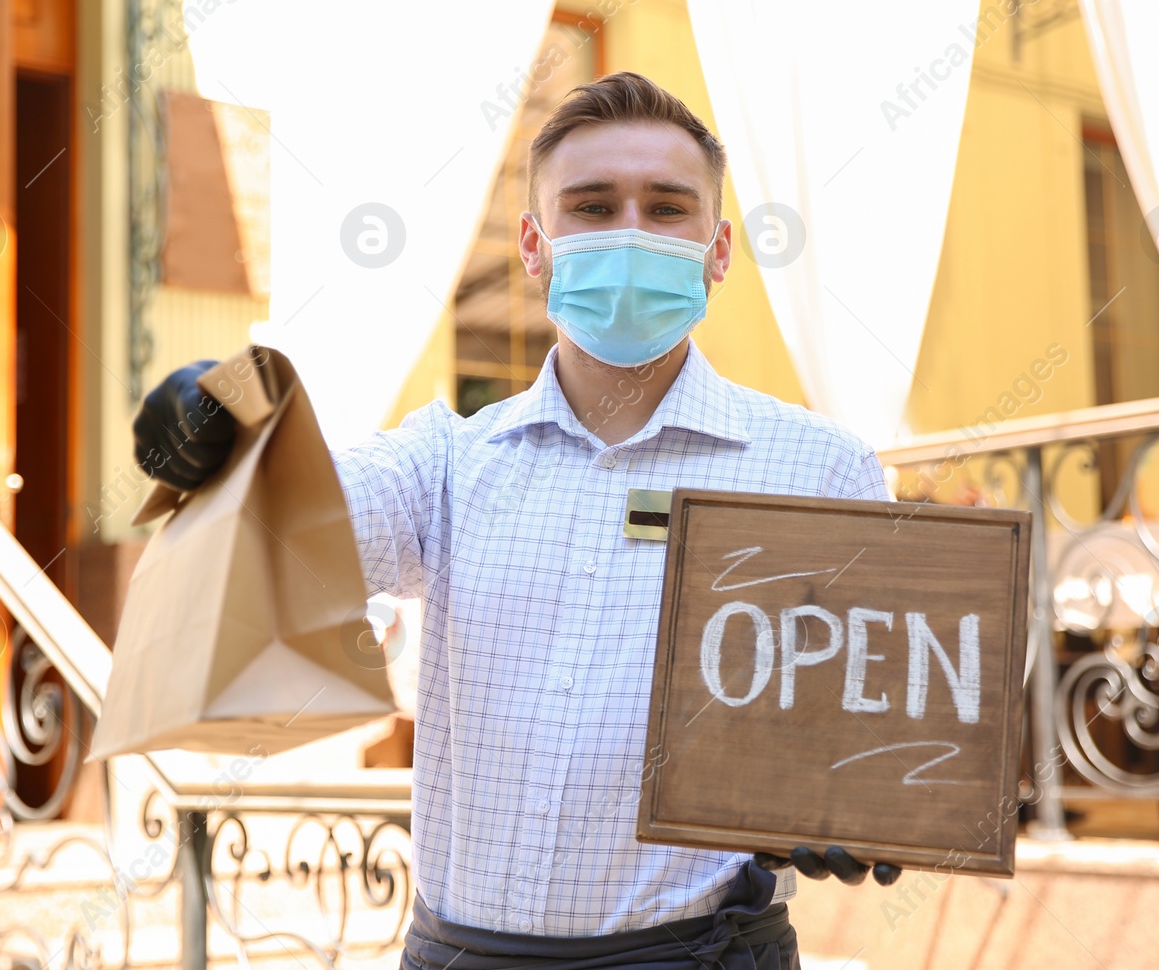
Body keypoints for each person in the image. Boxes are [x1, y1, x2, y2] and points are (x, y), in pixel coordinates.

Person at [134, 72, 900, 969]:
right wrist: (219, 421)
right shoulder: (447, 462)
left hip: (698, 956)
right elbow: (302, 509)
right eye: (592, 205)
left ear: (718, 250)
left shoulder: (822, 470)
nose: (628, 233)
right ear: (535, 247)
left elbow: (885, 707)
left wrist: (868, 796)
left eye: (665, 208)